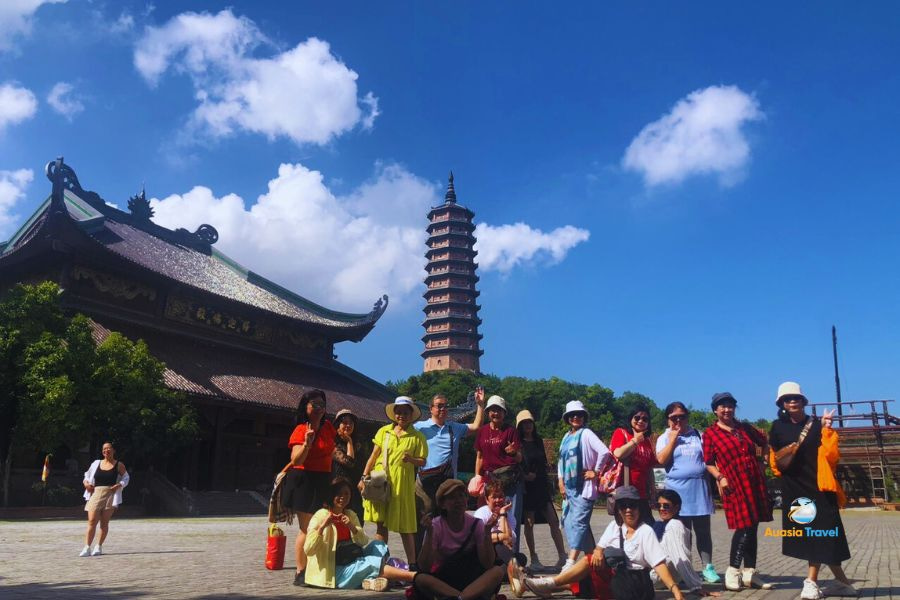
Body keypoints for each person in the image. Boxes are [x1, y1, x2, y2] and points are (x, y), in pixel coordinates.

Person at [511, 486, 686, 600]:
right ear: (617, 509)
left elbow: (659, 564)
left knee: (587, 564)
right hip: (615, 579)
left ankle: (541, 583)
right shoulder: (615, 526)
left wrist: (676, 591)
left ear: (639, 508)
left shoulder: (645, 531)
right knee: (584, 572)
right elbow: (598, 548)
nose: (628, 510)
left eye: (632, 505)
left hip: (634, 586)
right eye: (623, 505)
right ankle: (534, 585)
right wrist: (599, 552)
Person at [768, 382, 856, 599]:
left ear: (803, 401)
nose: (792, 401)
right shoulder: (777, 427)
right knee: (813, 533)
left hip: (818, 486)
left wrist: (828, 429)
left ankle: (811, 581)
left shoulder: (817, 425)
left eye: (796, 398)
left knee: (824, 531)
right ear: (782, 404)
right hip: (794, 488)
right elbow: (774, 458)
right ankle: (843, 583)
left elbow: (831, 456)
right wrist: (780, 475)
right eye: (787, 399)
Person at [702, 392, 772, 592]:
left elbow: (764, 442)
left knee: (753, 526)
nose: (727, 410)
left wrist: (763, 462)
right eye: (722, 406)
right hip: (733, 483)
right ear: (715, 410)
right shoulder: (710, 434)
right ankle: (732, 571)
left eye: (730, 406)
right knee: (744, 526)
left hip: (754, 481)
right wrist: (720, 477)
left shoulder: (745, 428)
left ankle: (750, 573)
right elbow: (708, 462)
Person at [303, 476, 414, 590]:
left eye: (347, 494)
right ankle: (413, 577)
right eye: (339, 494)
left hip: (352, 560)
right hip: (334, 572)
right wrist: (322, 527)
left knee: (379, 545)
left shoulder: (350, 514)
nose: (343, 497)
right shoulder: (320, 516)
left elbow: (363, 541)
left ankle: (370, 580)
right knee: (371, 563)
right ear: (331, 495)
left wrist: (352, 527)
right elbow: (308, 549)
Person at [413, 387, 485, 552]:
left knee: (447, 520)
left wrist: (480, 405)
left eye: (445, 406)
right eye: (439, 406)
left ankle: (444, 556)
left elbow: (476, 426)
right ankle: (419, 558)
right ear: (431, 408)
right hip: (425, 482)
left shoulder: (454, 427)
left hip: (447, 484)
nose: (442, 409)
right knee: (423, 520)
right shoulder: (419, 428)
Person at [359, 396, 428, 566]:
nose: (401, 415)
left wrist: (411, 459)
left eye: (405, 412)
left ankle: (412, 563)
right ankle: (380, 562)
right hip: (381, 482)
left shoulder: (417, 436)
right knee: (381, 524)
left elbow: (423, 461)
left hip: (402, 485)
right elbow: (373, 455)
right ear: (394, 413)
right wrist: (363, 476)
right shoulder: (384, 432)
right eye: (399, 412)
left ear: (411, 415)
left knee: (406, 526)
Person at [655, 402, 719, 584]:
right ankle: (685, 568)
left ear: (687, 417)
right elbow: (660, 460)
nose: (678, 420)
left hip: (699, 489)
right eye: (673, 417)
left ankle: (708, 568)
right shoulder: (663, 437)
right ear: (667, 419)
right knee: (682, 532)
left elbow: (710, 459)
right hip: (676, 491)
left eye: (681, 416)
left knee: (703, 531)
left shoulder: (698, 435)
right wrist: (673, 439)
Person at [413, 478, 506, 600]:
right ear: (442, 504)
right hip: (446, 580)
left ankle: (460, 598)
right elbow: (424, 566)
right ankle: (464, 597)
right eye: (452, 497)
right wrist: (429, 533)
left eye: (461, 496)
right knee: (420, 578)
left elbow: (487, 563)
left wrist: (487, 532)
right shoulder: (435, 526)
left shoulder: (476, 524)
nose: (458, 501)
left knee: (498, 571)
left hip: (472, 579)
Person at [282, 389, 336, 586]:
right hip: (304, 480)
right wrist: (307, 444)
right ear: (305, 407)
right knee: (306, 528)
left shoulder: (328, 427)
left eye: (322, 405)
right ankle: (300, 571)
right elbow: (296, 460)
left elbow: (332, 449)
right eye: (315, 404)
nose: (319, 408)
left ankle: (317, 568)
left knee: (322, 526)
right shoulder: (300, 429)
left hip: (324, 479)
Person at [557, 400, 610, 571]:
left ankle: (570, 562)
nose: (576, 417)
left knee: (579, 523)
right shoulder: (566, 437)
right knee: (571, 523)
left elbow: (604, 451)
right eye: (572, 415)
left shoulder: (586, 433)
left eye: (579, 414)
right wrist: (560, 481)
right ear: (567, 418)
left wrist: (596, 471)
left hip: (584, 486)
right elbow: (561, 461)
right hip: (569, 487)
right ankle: (593, 561)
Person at [517, 409, 567, 571]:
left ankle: (562, 556)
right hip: (528, 487)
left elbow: (543, 462)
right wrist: (525, 476)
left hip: (541, 485)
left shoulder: (538, 441)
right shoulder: (518, 443)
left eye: (530, 422)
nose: (528, 425)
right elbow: (515, 464)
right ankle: (534, 558)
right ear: (520, 425)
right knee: (529, 523)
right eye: (524, 423)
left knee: (553, 521)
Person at [474, 395, 524, 552]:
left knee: (511, 515)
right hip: (490, 480)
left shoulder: (511, 431)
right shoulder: (482, 431)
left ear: (504, 413)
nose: (495, 413)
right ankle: (489, 553)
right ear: (488, 412)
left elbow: (520, 458)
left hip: (510, 480)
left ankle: (512, 554)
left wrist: (514, 452)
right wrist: (477, 477)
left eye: (499, 410)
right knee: (489, 516)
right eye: (492, 410)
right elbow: (479, 456)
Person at [650, 490, 719, 596]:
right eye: (658, 505)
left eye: (666, 506)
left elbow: (680, 557)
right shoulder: (660, 525)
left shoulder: (674, 525)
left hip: (655, 577)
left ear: (676, 508)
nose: (662, 509)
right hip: (661, 576)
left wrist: (695, 586)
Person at [609, 403, 657, 525]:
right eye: (637, 417)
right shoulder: (621, 433)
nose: (641, 421)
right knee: (628, 529)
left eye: (645, 419)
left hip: (642, 494)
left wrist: (653, 490)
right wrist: (635, 441)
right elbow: (618, 453)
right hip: (625, 492)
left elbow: (649, 469)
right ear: (630, 418)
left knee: (648, 528)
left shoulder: (647, 442)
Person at [80, 441, 129, 557]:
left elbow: (126, 477)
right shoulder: (96, 463)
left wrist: (119, 485)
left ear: (113, 450)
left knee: (104, 522)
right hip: (96, 493)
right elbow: (87, 475)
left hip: (110, 494)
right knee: (92, 521)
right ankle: (87, 547)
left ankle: (98, 546)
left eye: (108, 448)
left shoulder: (119, 465)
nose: (106, 450)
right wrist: (86, 484)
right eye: (104, 449)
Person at [474, 480, 519, 564]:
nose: (498, 500)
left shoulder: (509, 516)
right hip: (485, 554)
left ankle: (513, 566)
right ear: (487, 500)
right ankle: (515, 567)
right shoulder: (481, 514)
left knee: (521, 557)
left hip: (503, 552)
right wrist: (500, 537)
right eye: (494, 497)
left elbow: (510, 539)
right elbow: (479, 538)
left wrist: (503, 514)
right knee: (498, 544)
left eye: (501, 496)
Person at [332, 409, 364, 525]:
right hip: (339, 486)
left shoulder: (358, 444)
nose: (348, 425)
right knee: (338, 520)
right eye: (344, 422)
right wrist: (349, 441)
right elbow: (349, 462)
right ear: (338, 425)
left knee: (356, 520)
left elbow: (362, 464)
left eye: (351, 423)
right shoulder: (333, 443)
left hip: (355, 487)